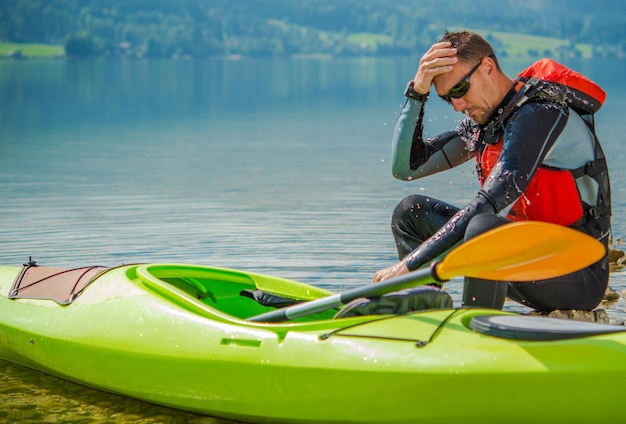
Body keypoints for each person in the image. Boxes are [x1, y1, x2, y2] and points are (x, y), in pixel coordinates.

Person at [373, 30, 612, 312]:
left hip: (576, 275)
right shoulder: (487, 124)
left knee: (483, 226)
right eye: (448, 98)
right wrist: (418, 92)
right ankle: (424, 311)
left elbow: (489, 203)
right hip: (525, 260)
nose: (458, 105)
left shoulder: (541, 113)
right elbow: (406, 168)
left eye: (460, 89)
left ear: (487, 67)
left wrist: (407, 265)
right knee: (409, 212)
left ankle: (477, 327)